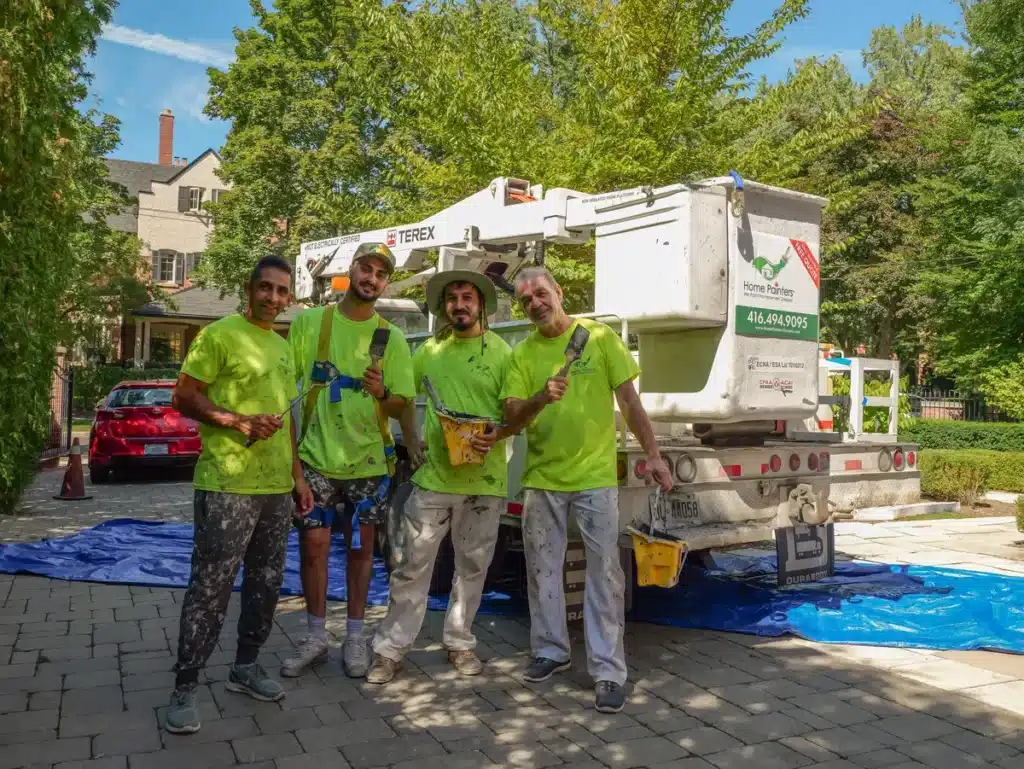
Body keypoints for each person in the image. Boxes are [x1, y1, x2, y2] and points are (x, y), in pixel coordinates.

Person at [501, 265, 673, 714]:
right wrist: (541, 396)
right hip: (541, 479)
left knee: (604, 576)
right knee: (542, 571)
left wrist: (653, 455)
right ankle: (551, 650)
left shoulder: (597, 338)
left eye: (541, 294)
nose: (536, 304)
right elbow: (512, 418)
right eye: (526, 301)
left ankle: (609, 671)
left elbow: (630, 402)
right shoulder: (522, 355)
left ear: (558, 292)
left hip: (596, 478)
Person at [166, 255, 314, 734]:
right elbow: (183, 395)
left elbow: (287, 417)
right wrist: (237, 421)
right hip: (227, 483)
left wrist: (297, 477)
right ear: (248, 289)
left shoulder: (283, 346)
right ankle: (185, 687)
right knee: (210, 586)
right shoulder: (220, 334)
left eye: (282, 291)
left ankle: (245, 667)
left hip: (275, 488)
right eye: (265, 288)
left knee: (266, 583)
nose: (273, 298)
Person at [366, 270, 512, 684]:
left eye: (468, 297)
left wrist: (496, 434)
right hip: (433, 478)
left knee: (472, 567)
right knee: (411, 565)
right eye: (452, 299)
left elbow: (514, 413)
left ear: (481, 304)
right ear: (443, 307)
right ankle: (390, 650)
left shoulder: (503, 353)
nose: (460, 304)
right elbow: (403, 400)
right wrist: (393, 412)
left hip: (485, 481)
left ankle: (460, 642)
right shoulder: (428, 352)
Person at [282, 242, 415, 679]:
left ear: (386, 282)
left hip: (369, 463)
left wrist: (381, 394)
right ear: (350, 269)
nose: (371, 277)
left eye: (380, 272)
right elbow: (286, 392)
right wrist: (294, 466)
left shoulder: (390, 337)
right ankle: (317, 636)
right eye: (366, 267)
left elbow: (401, 404)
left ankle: (355, 638)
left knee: (360, 551)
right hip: (317, 458)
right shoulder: (310, 323)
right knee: (313, 548)